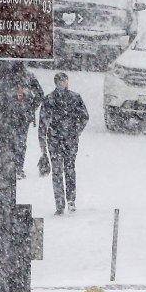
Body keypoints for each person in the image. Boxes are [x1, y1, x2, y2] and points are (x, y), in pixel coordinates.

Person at [39, 72, 89, 214]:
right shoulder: (67, 98)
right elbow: (84, 116)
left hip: (60, 139)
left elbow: (43, 124)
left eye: (64, 81)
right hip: (63, 139)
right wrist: (76, 130)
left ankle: (65, 202)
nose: (63, 83)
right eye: (62, 81)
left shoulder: (54, 99)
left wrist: (75, 131)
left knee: (63, 170)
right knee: (64, 169)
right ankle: (65, 202)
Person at [10, 69, 43, 178]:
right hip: (18, 114)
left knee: (18, 141)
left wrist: (31, 108)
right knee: (18, 141)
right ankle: (16, 168)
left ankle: (16, 168)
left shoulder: (27, 76)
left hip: (18, 114)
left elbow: (39, 94)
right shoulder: (28, 76)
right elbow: (39, 94)